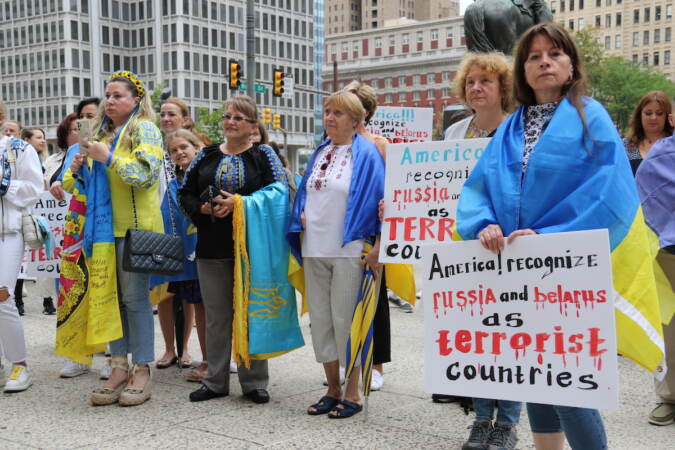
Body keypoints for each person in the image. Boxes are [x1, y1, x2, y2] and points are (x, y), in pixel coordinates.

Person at [455, 22, 665, 450]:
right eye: (534, 56)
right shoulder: (512, 127)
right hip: (517, 268)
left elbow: (611, 190)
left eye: (554, 53)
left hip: (566, 267)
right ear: (524, 70)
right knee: (534, 371)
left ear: (571, 66)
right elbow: (479, 186)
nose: (544, 62)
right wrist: (485, 223)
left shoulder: (591, 116)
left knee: (569, 384)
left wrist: (551, 235)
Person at [178, 95, 291, 404]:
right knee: (215, 316)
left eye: (238, 118)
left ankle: (254, 382)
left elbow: (280, 193)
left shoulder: (263, 156)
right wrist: (203, 208)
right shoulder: (207, 156)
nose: (230, 122)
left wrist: (239, 205)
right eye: (227, 116)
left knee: (252, 311)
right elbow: (184, 193)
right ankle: (215, 380)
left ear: (253, 126)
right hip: (211, 247)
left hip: (253, 249)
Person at [62, 70, 163, 406]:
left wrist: (109, 158)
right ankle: (118, 366)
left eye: (118, 95)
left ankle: (142, 369)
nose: (110, 101)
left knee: (135, 301)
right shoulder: (103, 133)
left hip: (134, 230)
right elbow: (75, 189)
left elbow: (146, 177)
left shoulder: (144, 128)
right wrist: (79, 170)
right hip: (102, 232)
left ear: (136, 99)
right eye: (107, 95)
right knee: (112, 302)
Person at [441, 52, 522, 449]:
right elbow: (439, 190)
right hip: (466, 249)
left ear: (503, 88)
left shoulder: (517, 130)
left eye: (485, 81)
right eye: (470, 81)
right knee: (476, 336)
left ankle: (506, 424)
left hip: (507, 246)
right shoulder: (455, 133)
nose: (475, 87)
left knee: (508, 335)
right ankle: (481, 419)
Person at [288, 91, 384, 418]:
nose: (330, 117)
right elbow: (305, 193)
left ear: (357, 120)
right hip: (314, 247)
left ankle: (353, 392)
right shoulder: (319, 152)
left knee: (347, 321)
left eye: (339, 113)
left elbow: (381, 202)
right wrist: (299, 212)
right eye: (328, 111)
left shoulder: (368, 154)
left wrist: (379, 246)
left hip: (349, 249)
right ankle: (331, 387)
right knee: (322, 322)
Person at [343, 79, 417, 392]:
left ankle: (376, 365)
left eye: (354, 106)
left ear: (367, 111)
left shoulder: (379, 144)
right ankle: (350, 363)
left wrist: (385, 237)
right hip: (341, 233)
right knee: (345, 302)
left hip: (373, 232)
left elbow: (395, 191)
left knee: (376, 301)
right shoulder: (337, 143)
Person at [151, 129, 209, 382]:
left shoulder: (205, 175)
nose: (180, 153)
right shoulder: (172, 181)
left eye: (184, 147)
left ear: (196, 147)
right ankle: (178, 352)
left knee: (205, 306)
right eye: (174, 150)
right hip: (177, 250)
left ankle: (210, 359)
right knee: (178, 298)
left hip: (204, 251)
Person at [0, 100, 44, 393]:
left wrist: (5, 186)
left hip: (7, 230)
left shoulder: (18, 148)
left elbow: (34, 187)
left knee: (2, 295)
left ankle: (20, 364)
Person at [635, 112, 675, 426]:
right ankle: (668, 397)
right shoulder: (661, 154)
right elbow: (644, 200)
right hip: (668, 253)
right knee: (669, 329)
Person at [156, 97, 199, 370]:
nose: (166, 119)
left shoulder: (196, 147)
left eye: (172, 114)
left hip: (190, 229)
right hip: (162, 224)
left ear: (184, 118)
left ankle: (185, 349)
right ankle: (169, 348)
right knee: (165, 293)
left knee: (190, 293)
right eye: (163, 114)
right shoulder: (156, 150)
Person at [20, 127, 57, 316]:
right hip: (28, 212)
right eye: (38, 137)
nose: (42, 141)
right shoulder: (20, 158)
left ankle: (47, 299)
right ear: (26, 139)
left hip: (47, 214)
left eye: (44, 137)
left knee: (45, 254)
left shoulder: (47, 161)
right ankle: (17, 298)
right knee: (25, 256)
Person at [624, 90, 674, 175]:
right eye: (648, 113)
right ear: (640, 115)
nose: (653, 117)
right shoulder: (626, 146)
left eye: (659, 113)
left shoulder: (673, 145)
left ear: (668, 117)